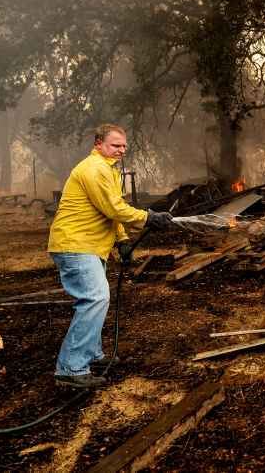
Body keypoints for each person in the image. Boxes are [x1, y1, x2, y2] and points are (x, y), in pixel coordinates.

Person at [48, 124, 172, 388]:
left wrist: (123, 240)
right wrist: (148, 218)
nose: (121, 150)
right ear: (99, 144)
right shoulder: (94, 169)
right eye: (115, 145)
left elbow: (109, 212)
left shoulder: (109, 171)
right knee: (95, 298)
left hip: (89, 245)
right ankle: (70, 368)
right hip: (75, 244)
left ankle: (91, 355)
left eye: (124, 146)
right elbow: (115, 208)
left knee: (97, 299)